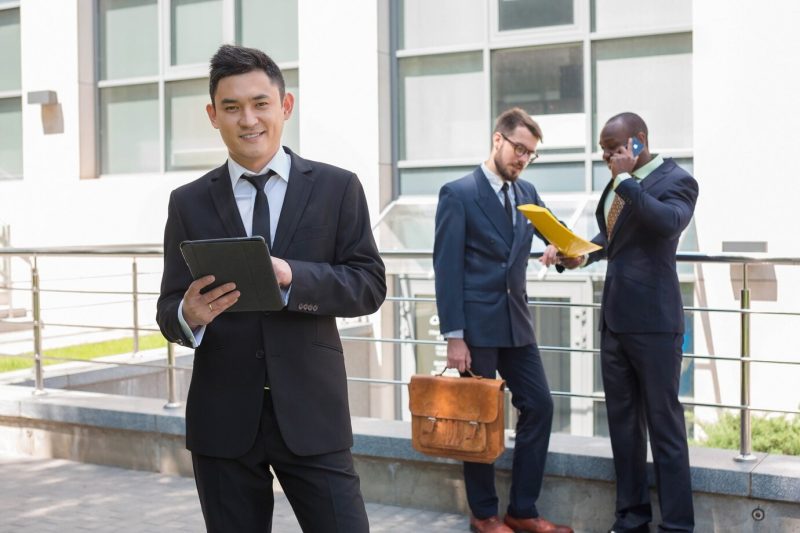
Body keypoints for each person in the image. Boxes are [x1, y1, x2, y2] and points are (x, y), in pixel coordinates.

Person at [156, 44, 386, 533]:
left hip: (313, 413)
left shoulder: (337, 188)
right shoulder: (188, 202)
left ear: (285, 106)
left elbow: (369, 285)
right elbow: (168, 308)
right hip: (223, 418)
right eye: (232, 107)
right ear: (213, 115)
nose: (248, 120)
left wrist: (293, 275)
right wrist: (189, 316)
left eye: (260, 103)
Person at [432, 107, 573, 533]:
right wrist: (454, 337)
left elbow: (563, 239)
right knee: (479, 418)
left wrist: (565, 252)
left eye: (530, 154)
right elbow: (447, 269)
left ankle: (523, 511)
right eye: (518, 149)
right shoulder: (458, 193)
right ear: (498, 140)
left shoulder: (527, 191)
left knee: (540, 406)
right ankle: (484, 514)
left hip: (517, 322)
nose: (523, 159)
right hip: (475, 330)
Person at [560, 112, 697, 532]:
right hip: (616, 322)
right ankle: (631, 518)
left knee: (665, 427)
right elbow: (612, 238)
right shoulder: (622, 183)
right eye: (603, 150)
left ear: (638, 142)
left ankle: (676, 525)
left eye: (614, 148)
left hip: (655, 325)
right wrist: (578, 254)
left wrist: (625, 182)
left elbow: (667, 222)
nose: (607, 157)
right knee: (623, 427)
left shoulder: (678, 180)